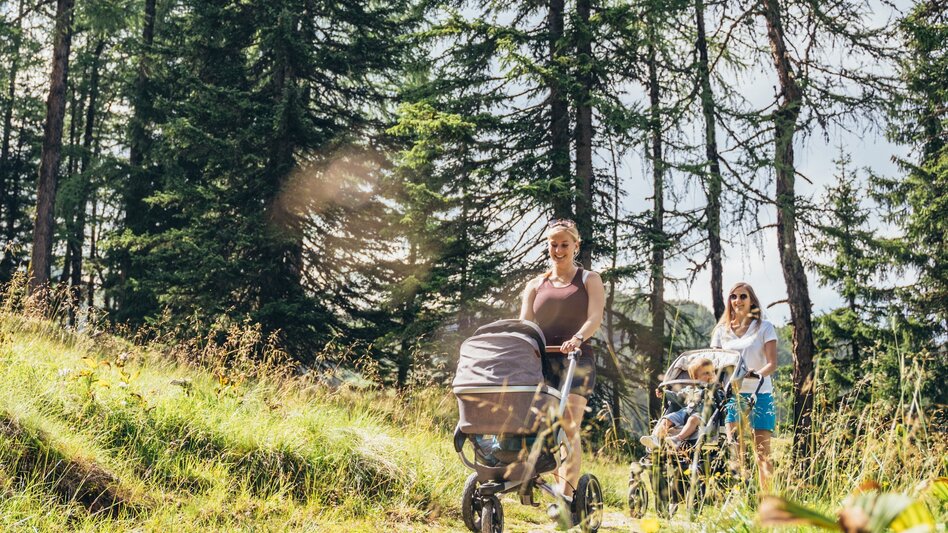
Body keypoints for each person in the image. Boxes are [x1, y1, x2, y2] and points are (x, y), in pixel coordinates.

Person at [519, 218, 605, 513]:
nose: (558, 250)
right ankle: (546, 484)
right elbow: (525, 325)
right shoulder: (534, 285)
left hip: (576, 360)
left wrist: (578, 338)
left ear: (575, 246)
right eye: (553, 244)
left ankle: (565, 494)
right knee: (542, 427)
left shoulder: (588, 280)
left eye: (564, 244)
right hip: (542, 363)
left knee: (568, 427)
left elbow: (594, 317)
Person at [711, 281, 778, 492]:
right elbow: (714, 363)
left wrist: (756, 375)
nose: (738, 301)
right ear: (729, 301)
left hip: (760, 393)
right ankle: (741, 497)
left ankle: (767, 501)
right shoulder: (722, 332)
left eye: (743, 296)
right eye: (734, 297)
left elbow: (772, 363)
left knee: (762, 453)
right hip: (733, 395)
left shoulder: (764, 328)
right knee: (735, 451)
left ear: (751, 301)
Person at [639, 357, 717, 450]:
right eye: (706, 373)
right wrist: (665, 393)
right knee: (667, 418)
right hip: (684, 412)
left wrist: (713, 390)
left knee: (692, 419)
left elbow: (719, 401)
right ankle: (655, 439)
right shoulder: (690, 390)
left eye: (713, 372)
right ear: (696, 377)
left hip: (701, 415)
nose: (711, 375)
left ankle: (677, 439)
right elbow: (677, 397)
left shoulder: (715, 390)